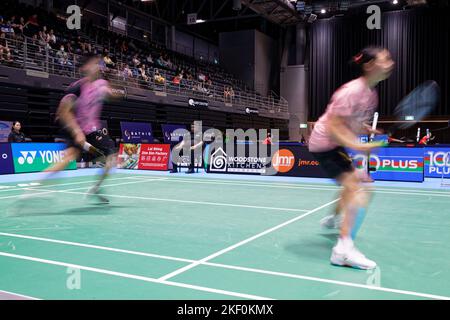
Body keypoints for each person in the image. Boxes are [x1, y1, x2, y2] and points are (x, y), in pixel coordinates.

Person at [308, 47, 394, 270]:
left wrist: (367, 129)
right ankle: (343, 251)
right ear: (369, 65)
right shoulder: (351, 91)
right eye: (385, 59)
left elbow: (351, 120)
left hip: (334, 145)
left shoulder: (370, 93)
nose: (390, 63)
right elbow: (335, 126)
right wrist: (361, 145)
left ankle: (332, 219)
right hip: (324, 144)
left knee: (353, 185)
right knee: (360, 189)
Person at [42, 56, 120, 203]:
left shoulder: (101, 84)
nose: (98, 66)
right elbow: (62, 111)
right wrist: (76, 132)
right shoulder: (76, 88)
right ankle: (35, 187)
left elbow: (111, 94)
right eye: (94, 64)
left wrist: (115, 82)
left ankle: (96, 188)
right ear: (84, 69)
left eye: (99, 64)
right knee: (68, 157)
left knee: (111, 158)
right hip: (75, 128)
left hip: (93, 131)